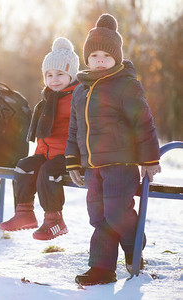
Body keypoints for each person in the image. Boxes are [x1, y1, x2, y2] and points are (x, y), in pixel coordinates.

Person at [65, 14, 161, 286]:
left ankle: (133, 247)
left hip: (121, 163)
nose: (99, 59)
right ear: (87, 58)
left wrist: (149, 159)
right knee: (99, 217)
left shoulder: (126, 84)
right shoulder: (80, 90)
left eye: (106, 55)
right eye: (93, 54)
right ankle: (102, 268)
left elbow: (143, 123)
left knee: (116, 211)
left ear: (116, 57)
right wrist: (73, 161)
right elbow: (74, 130)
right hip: (93, 167)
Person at [0, 37, 79, 241]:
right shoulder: (46, 100)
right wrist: (37, 155)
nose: (54, 79)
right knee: (23, 166)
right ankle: (24, 212)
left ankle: (54, 220)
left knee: (47, 172)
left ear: (71, 74)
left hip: (70, 155)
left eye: (60, 74)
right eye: (49, 75)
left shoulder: (79, 98)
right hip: (47, 153)